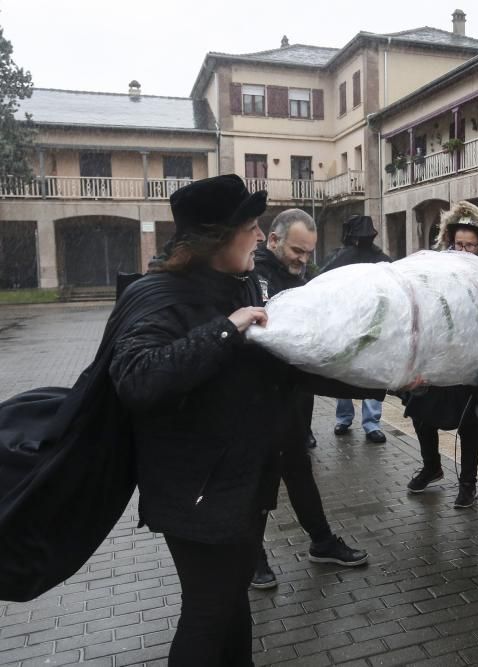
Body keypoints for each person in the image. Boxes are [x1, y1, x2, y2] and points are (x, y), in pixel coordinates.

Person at [108, 175, 384, 665]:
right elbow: (137, 379)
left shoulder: (236, 286)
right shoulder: (160, 294)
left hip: (240, 486)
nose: (260, 238)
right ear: (216, 237)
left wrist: (391, 383)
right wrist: (227, 329)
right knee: (208, 613)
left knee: (230, 605)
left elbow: (293, 370)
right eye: (251, 227)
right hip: (195, 495)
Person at [249, 209, 369, 589]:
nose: (303, 259)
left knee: (298, 469)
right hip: (257, 399)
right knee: (260, 479)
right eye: (297, 251)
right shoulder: (254, 276)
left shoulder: (305, 279)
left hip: (293, 396)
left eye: (308, 253)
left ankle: (321, 541)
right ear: (273, 241)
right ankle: (253, 557)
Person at [404, 201, 478, 508]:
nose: (464, 251)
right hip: (435, 356)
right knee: (420, 412)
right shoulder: (433, 270)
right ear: (449, 242)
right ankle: (432, 466)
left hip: (469, 361)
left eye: (471, 246)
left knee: (469, 423)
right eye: (459, 244)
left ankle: (468, 484)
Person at [322, 214, 392, 444]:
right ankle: (345, 418)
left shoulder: (380, 259)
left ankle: (370, 422)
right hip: (347, 325)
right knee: (345, 373)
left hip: (373, 325)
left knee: (371, 373)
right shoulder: (340, 259)